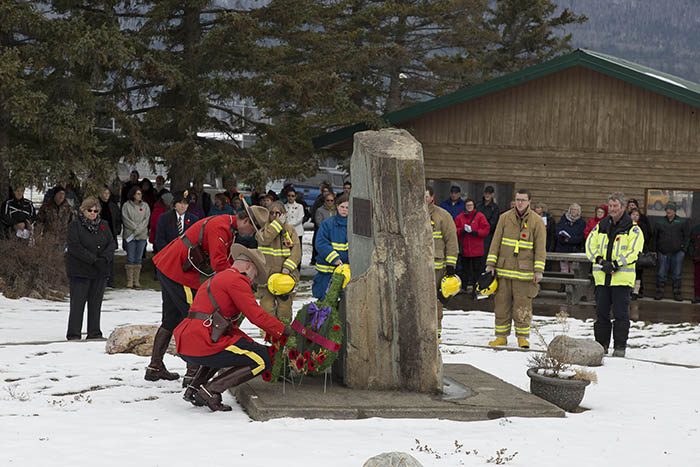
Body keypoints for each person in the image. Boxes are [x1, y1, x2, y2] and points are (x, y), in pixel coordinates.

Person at [148, 205, 269, 384]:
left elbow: (225, 261)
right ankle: (192, 374)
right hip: (178, 272)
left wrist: (240, 277)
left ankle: (154, 367)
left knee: (171, 319)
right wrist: (239, 280)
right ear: (245, 221)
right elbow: (219, 264)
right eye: (254, 228)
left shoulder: (227, 227)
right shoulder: (221, 227)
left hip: (172, 267)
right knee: (194, 316)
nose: (252, 234)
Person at [174, 245, 293, 412]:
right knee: (263, 359)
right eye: (255, 274)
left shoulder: (217, 278)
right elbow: (256, 315)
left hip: (187, 341)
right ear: (249, 265)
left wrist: (251, 343)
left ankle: (194, 389)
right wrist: (284, 331)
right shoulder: (237, 280)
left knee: (225, 351)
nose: (252, 280)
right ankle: (211, 390)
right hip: (203, 340)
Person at [485, 189, 545, 349]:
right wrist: (490, 264)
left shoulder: (537, 221)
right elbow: (495, 242)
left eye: (523, 200)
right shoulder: (504, 218)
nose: (520, 203)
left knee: (523, 305)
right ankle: (501, 337)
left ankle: (523, 337)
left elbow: (540, 248)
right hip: (503, 271)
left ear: (529, 202)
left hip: (524, 274)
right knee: (501, 305)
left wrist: (538, 270)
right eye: (518, 199)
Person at [586, 192, 643, 357]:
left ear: (623, 207)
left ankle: (619, 347)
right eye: (610, 206)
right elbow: (590, 245)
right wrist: (600, 261)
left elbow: (634, 252)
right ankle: (601, 346)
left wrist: (616, 264)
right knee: (601, 313)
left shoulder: (633, 229)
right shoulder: (600, 226)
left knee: (621, 314)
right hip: (602, 278)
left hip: (621, 279)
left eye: (615, 206)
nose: (612, 209)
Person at [65, 197, 116, 340]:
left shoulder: (103, 225)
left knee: (96, 303)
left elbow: (112, 243)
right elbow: (75, 247)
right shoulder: (75, 226)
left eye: (95, 211)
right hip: (80, 270)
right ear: (83, 210)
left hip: (99, 271)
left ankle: (94, 332)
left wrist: (104, 258)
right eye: (90, 210)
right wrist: (93, 259)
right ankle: (74, 333)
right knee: (78, 304)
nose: (93, 213)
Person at [256, 201, 302, 321]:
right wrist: (277, 224)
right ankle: (268, 337)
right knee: (267, 310)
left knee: (284, 310)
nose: (275, 215)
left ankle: (284, 336)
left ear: (283, 214)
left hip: (284, 276)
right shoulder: (263, 230)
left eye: (278, 213)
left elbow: (296, 251)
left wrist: (288, 267)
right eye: (272, 213)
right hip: (266, 277)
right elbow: (265, 240)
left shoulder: (290, 230)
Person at [427, 187, 459, 340]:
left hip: (437, 266)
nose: (423, 199)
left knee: (436, 300)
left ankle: (436, 331)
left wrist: (451, 265)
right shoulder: (411, 214)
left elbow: (451, 241)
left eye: (426, 196)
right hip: (416, 268)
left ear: (432, 197)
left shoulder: (442, 216)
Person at [312, 194, 349, 300]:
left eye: (347, 208)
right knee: (325, 300)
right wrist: (335, 258)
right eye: (342, 207)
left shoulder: (353, 225)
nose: (344, 210)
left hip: (346, 271)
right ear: (337, 206)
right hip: (326, 271)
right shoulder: (328, 223)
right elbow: (321, 243)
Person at [652, 202, 690, 301]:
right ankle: (659, 292)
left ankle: (677, 293)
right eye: (667, 209)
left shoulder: (681, 222)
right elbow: (655, 237)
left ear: (674, 211)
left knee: (677, 273)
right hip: (662, 251)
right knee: (661, 273)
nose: (668, 211)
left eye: (670, 209)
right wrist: (654, 250)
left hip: (678, 252)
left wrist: (683, 249)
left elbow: (687, 236)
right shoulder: (659, 222)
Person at [454, 198, 490, 297]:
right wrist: (461, 231)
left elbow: (486, 229)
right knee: (464, 270)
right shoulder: (460, 217)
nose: (469, 207)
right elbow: (454, 228)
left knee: (476, 271)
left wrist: (477, 233)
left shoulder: (480, 216)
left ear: (474, 206)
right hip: (465, 249)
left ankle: (476, 288)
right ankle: (464, 288)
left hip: (477, 250)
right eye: (467, 205)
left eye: (471, 205)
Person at [121, 186, 150, 288]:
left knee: (138, 258)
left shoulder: (145, 206)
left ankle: (136, 280)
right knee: (130, 258)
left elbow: (146, 219)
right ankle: (130, 280)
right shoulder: (126, 205)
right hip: (130, 235)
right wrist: (135, 229)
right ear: (133, 194)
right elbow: (125, 219)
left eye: (141, 194)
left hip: (141, 235)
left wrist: (139, 230)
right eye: (138, 194)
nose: (140, 196)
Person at [98, 186, 122, 288]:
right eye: (104, 193)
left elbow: (118, 219)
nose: (106, 195)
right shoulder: (97, 206)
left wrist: (116, 230)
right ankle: (100, 279)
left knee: (110, 259)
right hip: (99, 236)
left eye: (108, 193)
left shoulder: (113, 206)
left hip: (111, 235)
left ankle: (110, 280)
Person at [554, 203, 585, 277]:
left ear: (579, 211)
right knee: (563, 269)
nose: (574, 211)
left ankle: (572, 287)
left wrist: (570, 240)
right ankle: (563, 286)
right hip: (563, 248)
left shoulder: (581, 223)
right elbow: (558, 231)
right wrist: (563, 239)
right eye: (572, 209)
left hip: (574, 249)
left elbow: (581, 236)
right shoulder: (563, 220)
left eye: (576, 210)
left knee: (573, 270)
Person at [629, 207, 651, 300]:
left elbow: (645, 238)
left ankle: (636, 291)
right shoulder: (626, 225)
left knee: (638, 273)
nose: (635, 216)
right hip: (628, 252)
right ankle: (628, 290)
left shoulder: (642, 226)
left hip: (639, 252)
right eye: (633, 214)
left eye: (637, 215)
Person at [477, 186, 500, 268]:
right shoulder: (478, 205)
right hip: (476, 234)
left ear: (492, 195)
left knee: (484, 256)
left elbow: (493, 222)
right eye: (486, 193)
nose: (487, 195)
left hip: (487, 235)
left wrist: (484, 229)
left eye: (489, 193)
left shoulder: (495, 208)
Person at [687, 222, 700, 304]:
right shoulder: (696, 228)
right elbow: (690, 242)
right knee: (697, 278)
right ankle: (697, 296)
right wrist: (692, 253)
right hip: (698, 257)